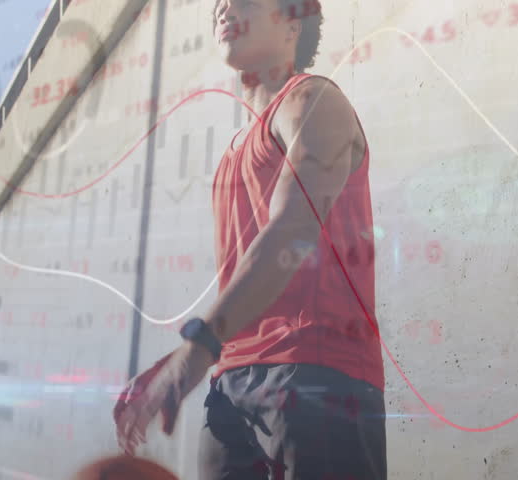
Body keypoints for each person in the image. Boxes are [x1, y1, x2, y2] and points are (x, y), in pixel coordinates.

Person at [113, 0, 387, 478]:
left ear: (292, 23)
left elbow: (292, 231)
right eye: (219, 3)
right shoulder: (234, 150)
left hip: (316, 372)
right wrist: (188, 354)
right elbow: (249, 270)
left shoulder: (314, 100)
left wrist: (200, 344)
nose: (223, 8)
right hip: (230, 381)